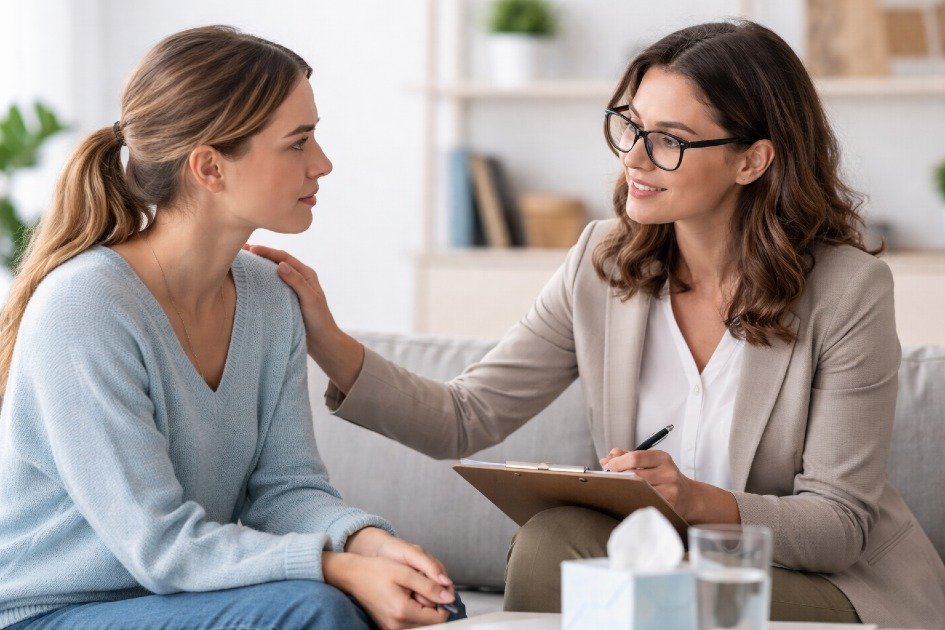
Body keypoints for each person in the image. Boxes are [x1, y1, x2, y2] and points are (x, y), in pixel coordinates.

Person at [247, 20, 945, 629]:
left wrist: (692, 500)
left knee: (596, 571)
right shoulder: (603, 261)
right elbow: (464, 415)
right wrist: (325, 337)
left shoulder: (845, 288)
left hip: (824, 587)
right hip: (662, 567)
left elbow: (838, 527)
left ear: (752, 159)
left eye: (668, 140)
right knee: (555, 535)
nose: (634, 158)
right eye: (630, 126)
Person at [0, 25, 464, 630]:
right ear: (210, 168)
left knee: (431, 602)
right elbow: (160, 545)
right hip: (58, 611)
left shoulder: (270, 299)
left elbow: (285, 490)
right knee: (316, 608)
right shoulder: (86, 306)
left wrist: (371, 546)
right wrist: (338, 569)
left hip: (176, 598)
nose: (322, 164)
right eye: (298, 143)